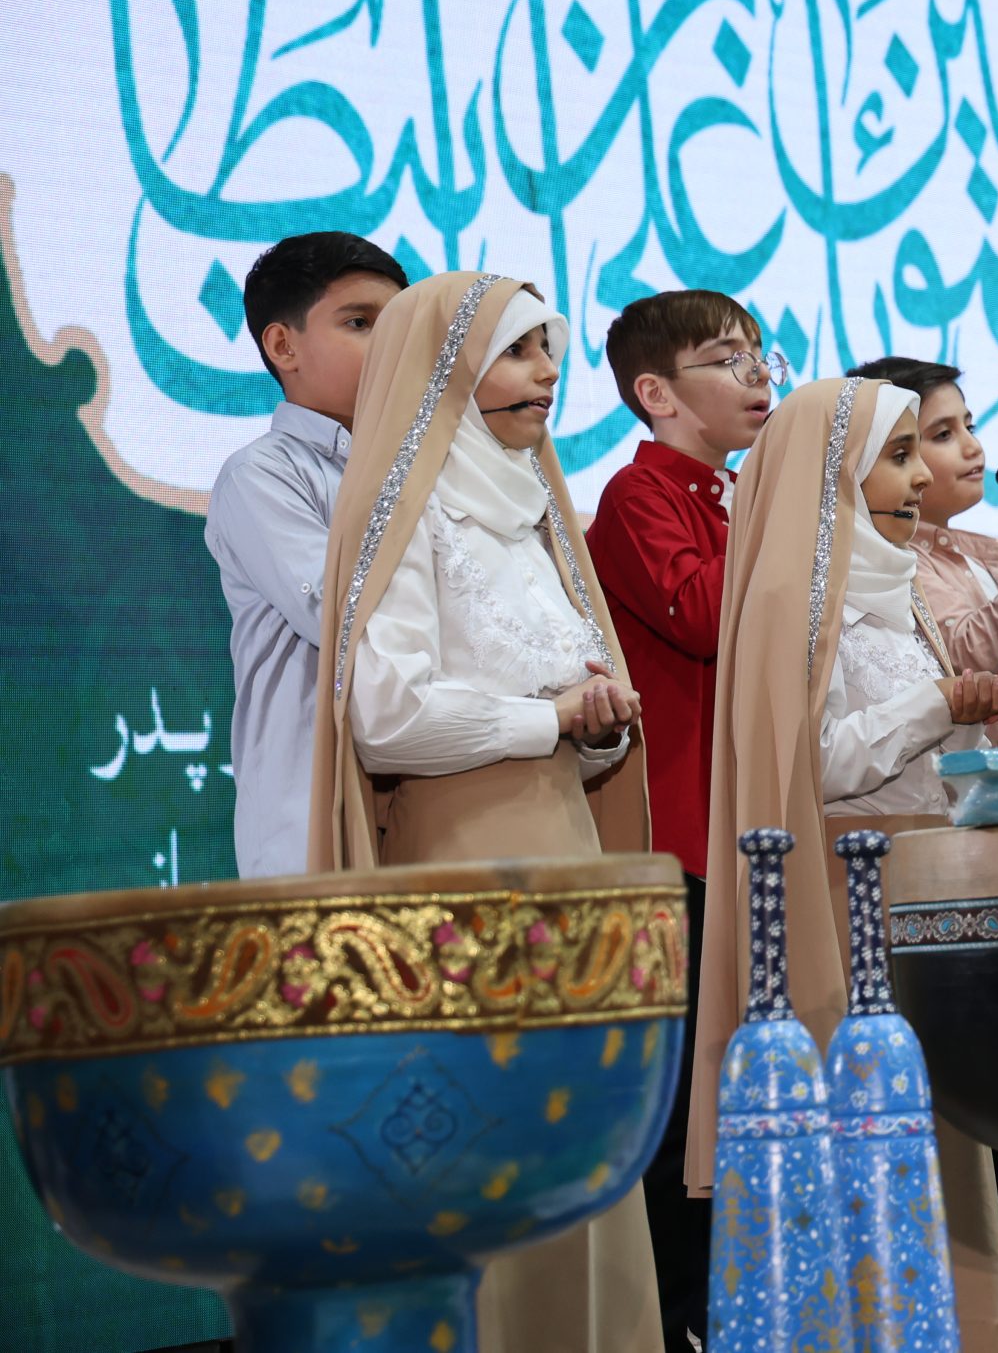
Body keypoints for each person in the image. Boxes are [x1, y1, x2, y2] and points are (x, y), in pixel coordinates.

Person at [307, 272, 660, 1353]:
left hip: (566, 852)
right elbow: (386, 716)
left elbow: (580, 715)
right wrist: (547, 718)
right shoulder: (406, 513)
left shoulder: (532, 515)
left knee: (578, 1138)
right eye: (516, 351)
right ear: (442, 372)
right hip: (465, 865)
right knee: (490, 1142)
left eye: (548, 350)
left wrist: (595, 723)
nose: (546, 374)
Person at [684, 377, 998, 1353]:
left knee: (932, 1129)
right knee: (860, 1127)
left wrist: (970, 730)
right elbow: (812, 766)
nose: (919, 479)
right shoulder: (788, 595)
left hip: (916, 891)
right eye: (900, 455)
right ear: (833, 470)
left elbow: (920, 758)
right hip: (840, 896)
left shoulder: (895, 588)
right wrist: (934, 706)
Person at [590, 289, 778, 1350]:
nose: (758, 376)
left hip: (753, 830)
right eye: (726, 359)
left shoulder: (739, 495)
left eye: (759, 354)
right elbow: (706, 617)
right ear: (656, 394)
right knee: (679, 1110)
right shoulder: (639, 495)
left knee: (744, 1094)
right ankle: (673, 1321)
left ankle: (735, 1310)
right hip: (681, 839)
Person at [204, 232, 406, 879]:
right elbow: (344, 616)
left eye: (399, 325)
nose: (392, 346)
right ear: (282, 346)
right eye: (360, 323)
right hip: (312, 820)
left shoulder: (424, 472)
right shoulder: (261, 474)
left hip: (434, 808)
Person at [852, 355, 998, 748]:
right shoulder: (901, 563)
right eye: (943, 435)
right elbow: (972, 661)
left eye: (970, 427)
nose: (972, 447)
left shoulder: (973, 558)